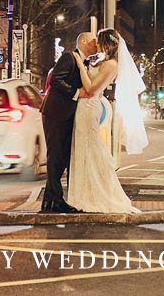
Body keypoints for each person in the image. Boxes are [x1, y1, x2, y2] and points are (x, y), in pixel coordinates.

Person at [66, 30, 144, 213]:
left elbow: (92, 88)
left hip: (89, 107)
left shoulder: (111, 65)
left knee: (89, 148)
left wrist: (80, 66)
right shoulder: (104, 62)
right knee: (84, 148)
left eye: (98, 41)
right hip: (84, 107)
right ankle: (84, 193)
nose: (96, 45)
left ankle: (93, 194)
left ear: (106, 44)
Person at [39, 31, 93, 213]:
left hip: (66, 115)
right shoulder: (69, 57)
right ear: (84, 41)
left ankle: (49, 201)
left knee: (61, 158)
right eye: (93, 41)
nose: (96, 44)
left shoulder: (84, 61)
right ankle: (57, 201)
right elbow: (56, 80)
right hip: (56, 113)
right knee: (55, 158)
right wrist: (76, 93)